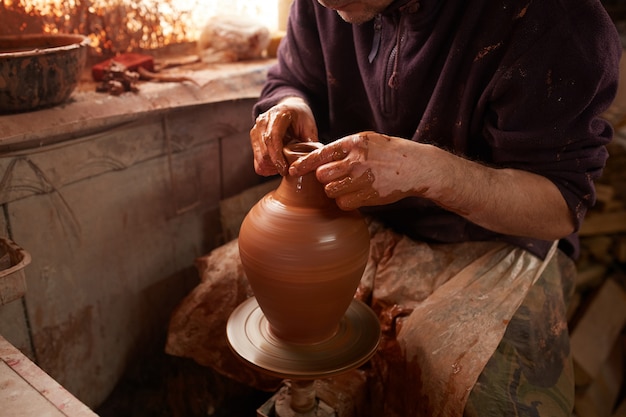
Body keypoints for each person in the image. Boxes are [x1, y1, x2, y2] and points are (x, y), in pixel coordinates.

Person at [246, 0, 622, 416]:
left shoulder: (554, 18)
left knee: (471, 391)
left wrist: (431, 172)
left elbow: (559, 206)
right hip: (361, 216)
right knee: (233, 302)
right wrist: (289, 104)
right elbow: (291, 78)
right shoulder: (322, 5)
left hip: (495, 236)